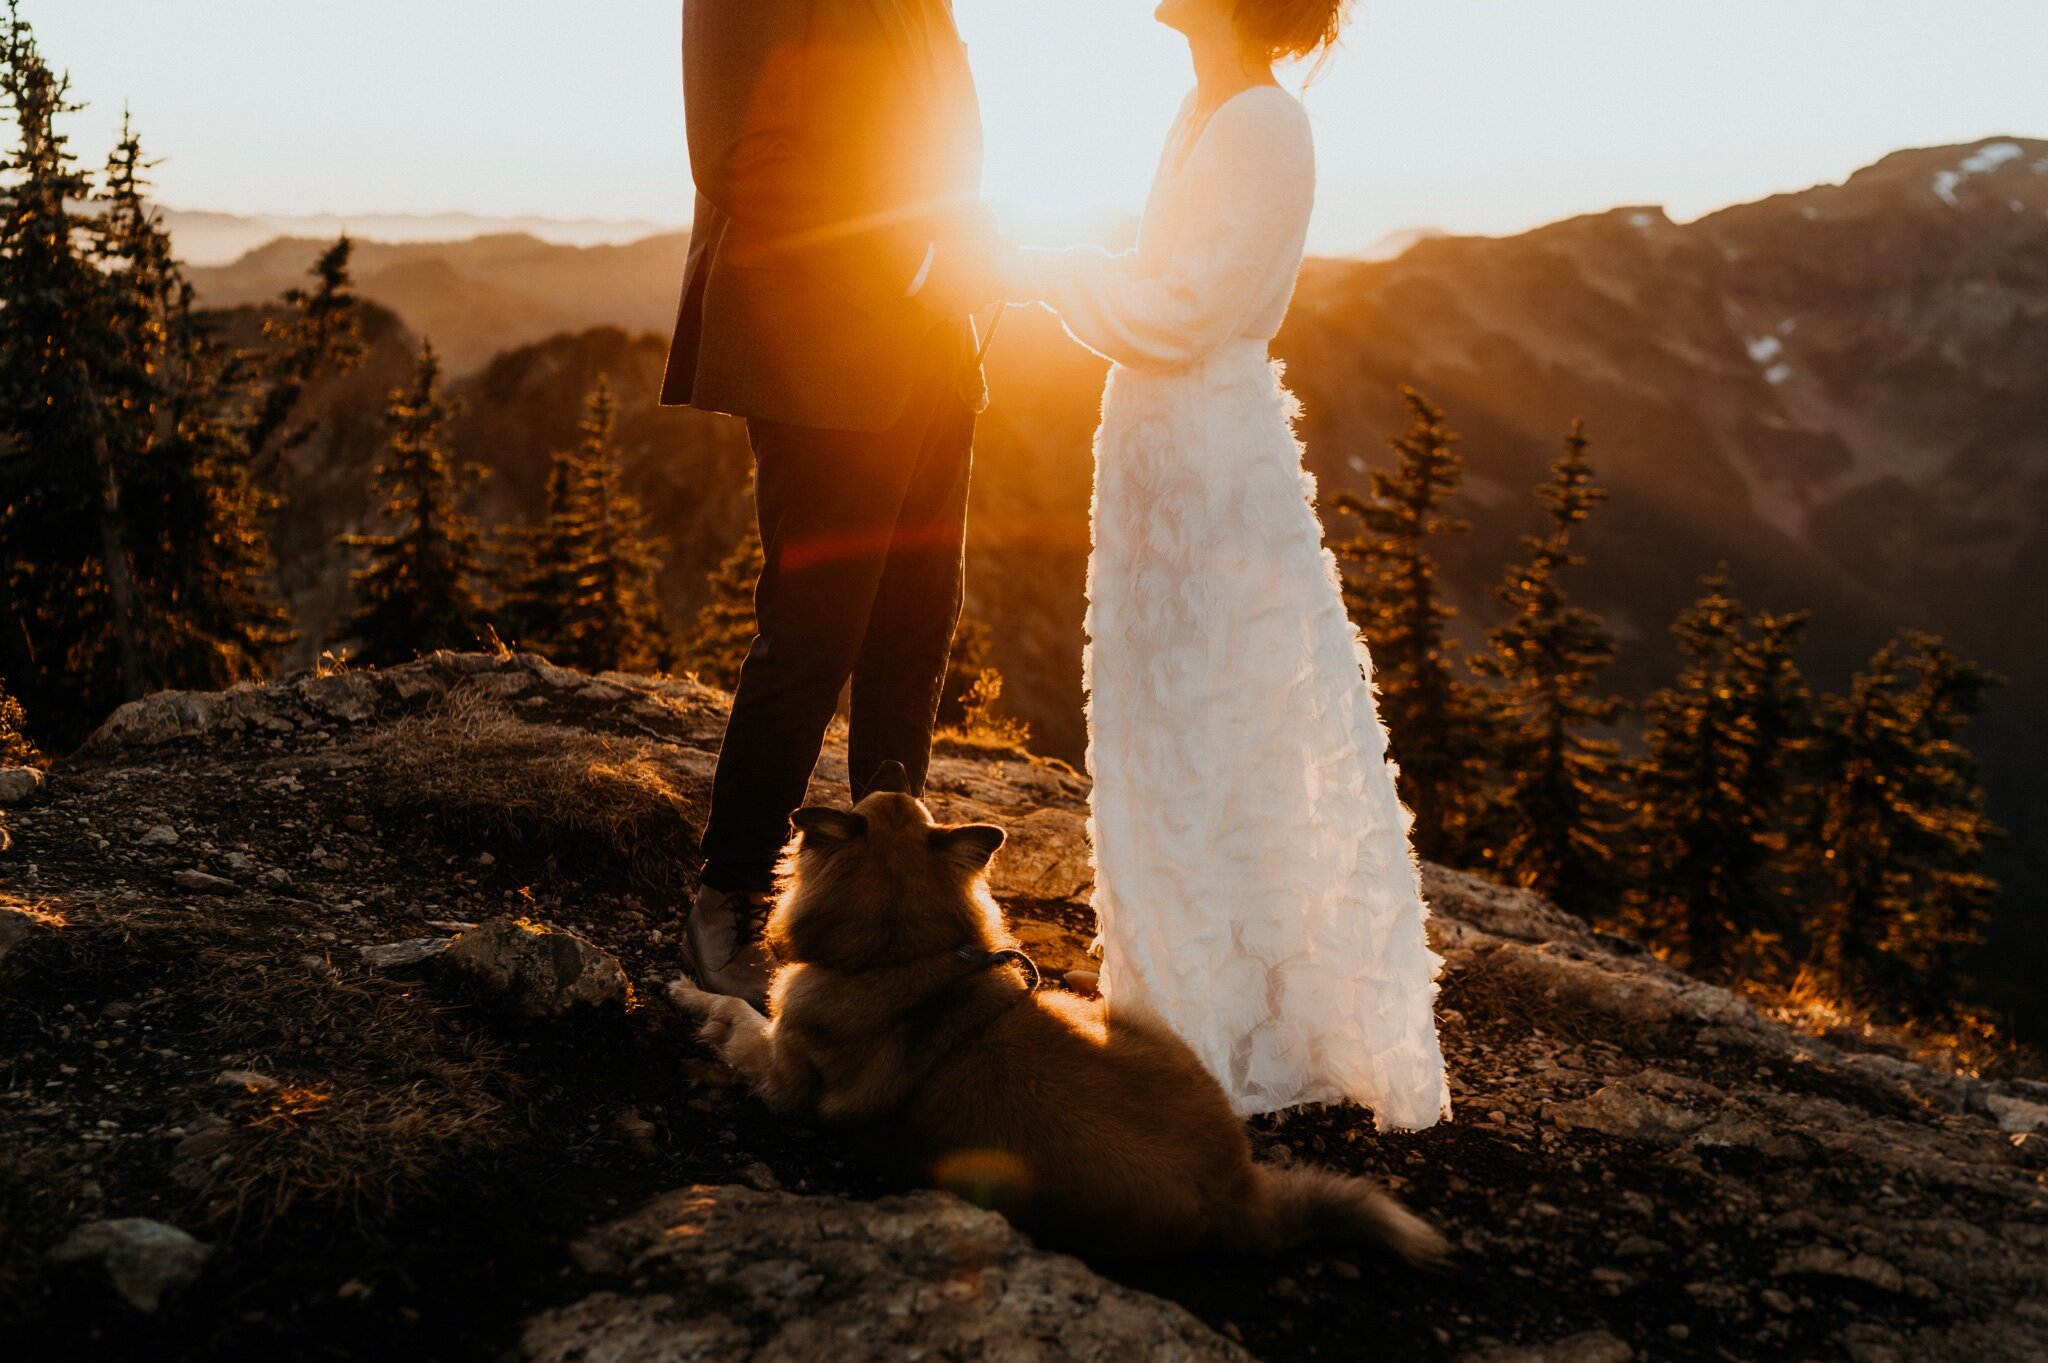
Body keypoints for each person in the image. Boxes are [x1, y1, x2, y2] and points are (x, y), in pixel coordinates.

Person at [997, 0, 1451, 1128]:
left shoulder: (1260, 123)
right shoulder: (1204, 106)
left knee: (1217, 723)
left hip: (1204, 451)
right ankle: (1179, 1005)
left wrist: (1039, 266)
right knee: (1167, 724)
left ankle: (1225, 1030)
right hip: (1160, 445)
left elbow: (1186, 310)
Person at [664, 0, 1000, 1007]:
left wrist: (962, 256)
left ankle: (894, 892)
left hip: (938, 344)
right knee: (813, 633)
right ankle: (725, 895)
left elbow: (947, 144)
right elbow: (736, 154)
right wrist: (907, 256)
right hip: (819, 338)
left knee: (913, 625)